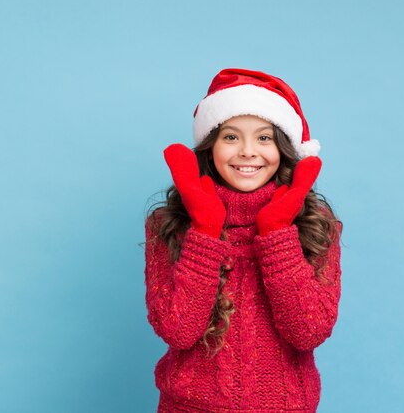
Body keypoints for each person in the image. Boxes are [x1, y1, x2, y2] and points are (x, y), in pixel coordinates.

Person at [144, 68, 343, 412]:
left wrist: (277, 232)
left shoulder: (314, 223)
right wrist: (205, 229)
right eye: (231, 137)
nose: (248, 152)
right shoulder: (170, 223)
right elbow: (178, 330)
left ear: (284, 147)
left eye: (264, 138)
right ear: (210, 146)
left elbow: (309, 331)